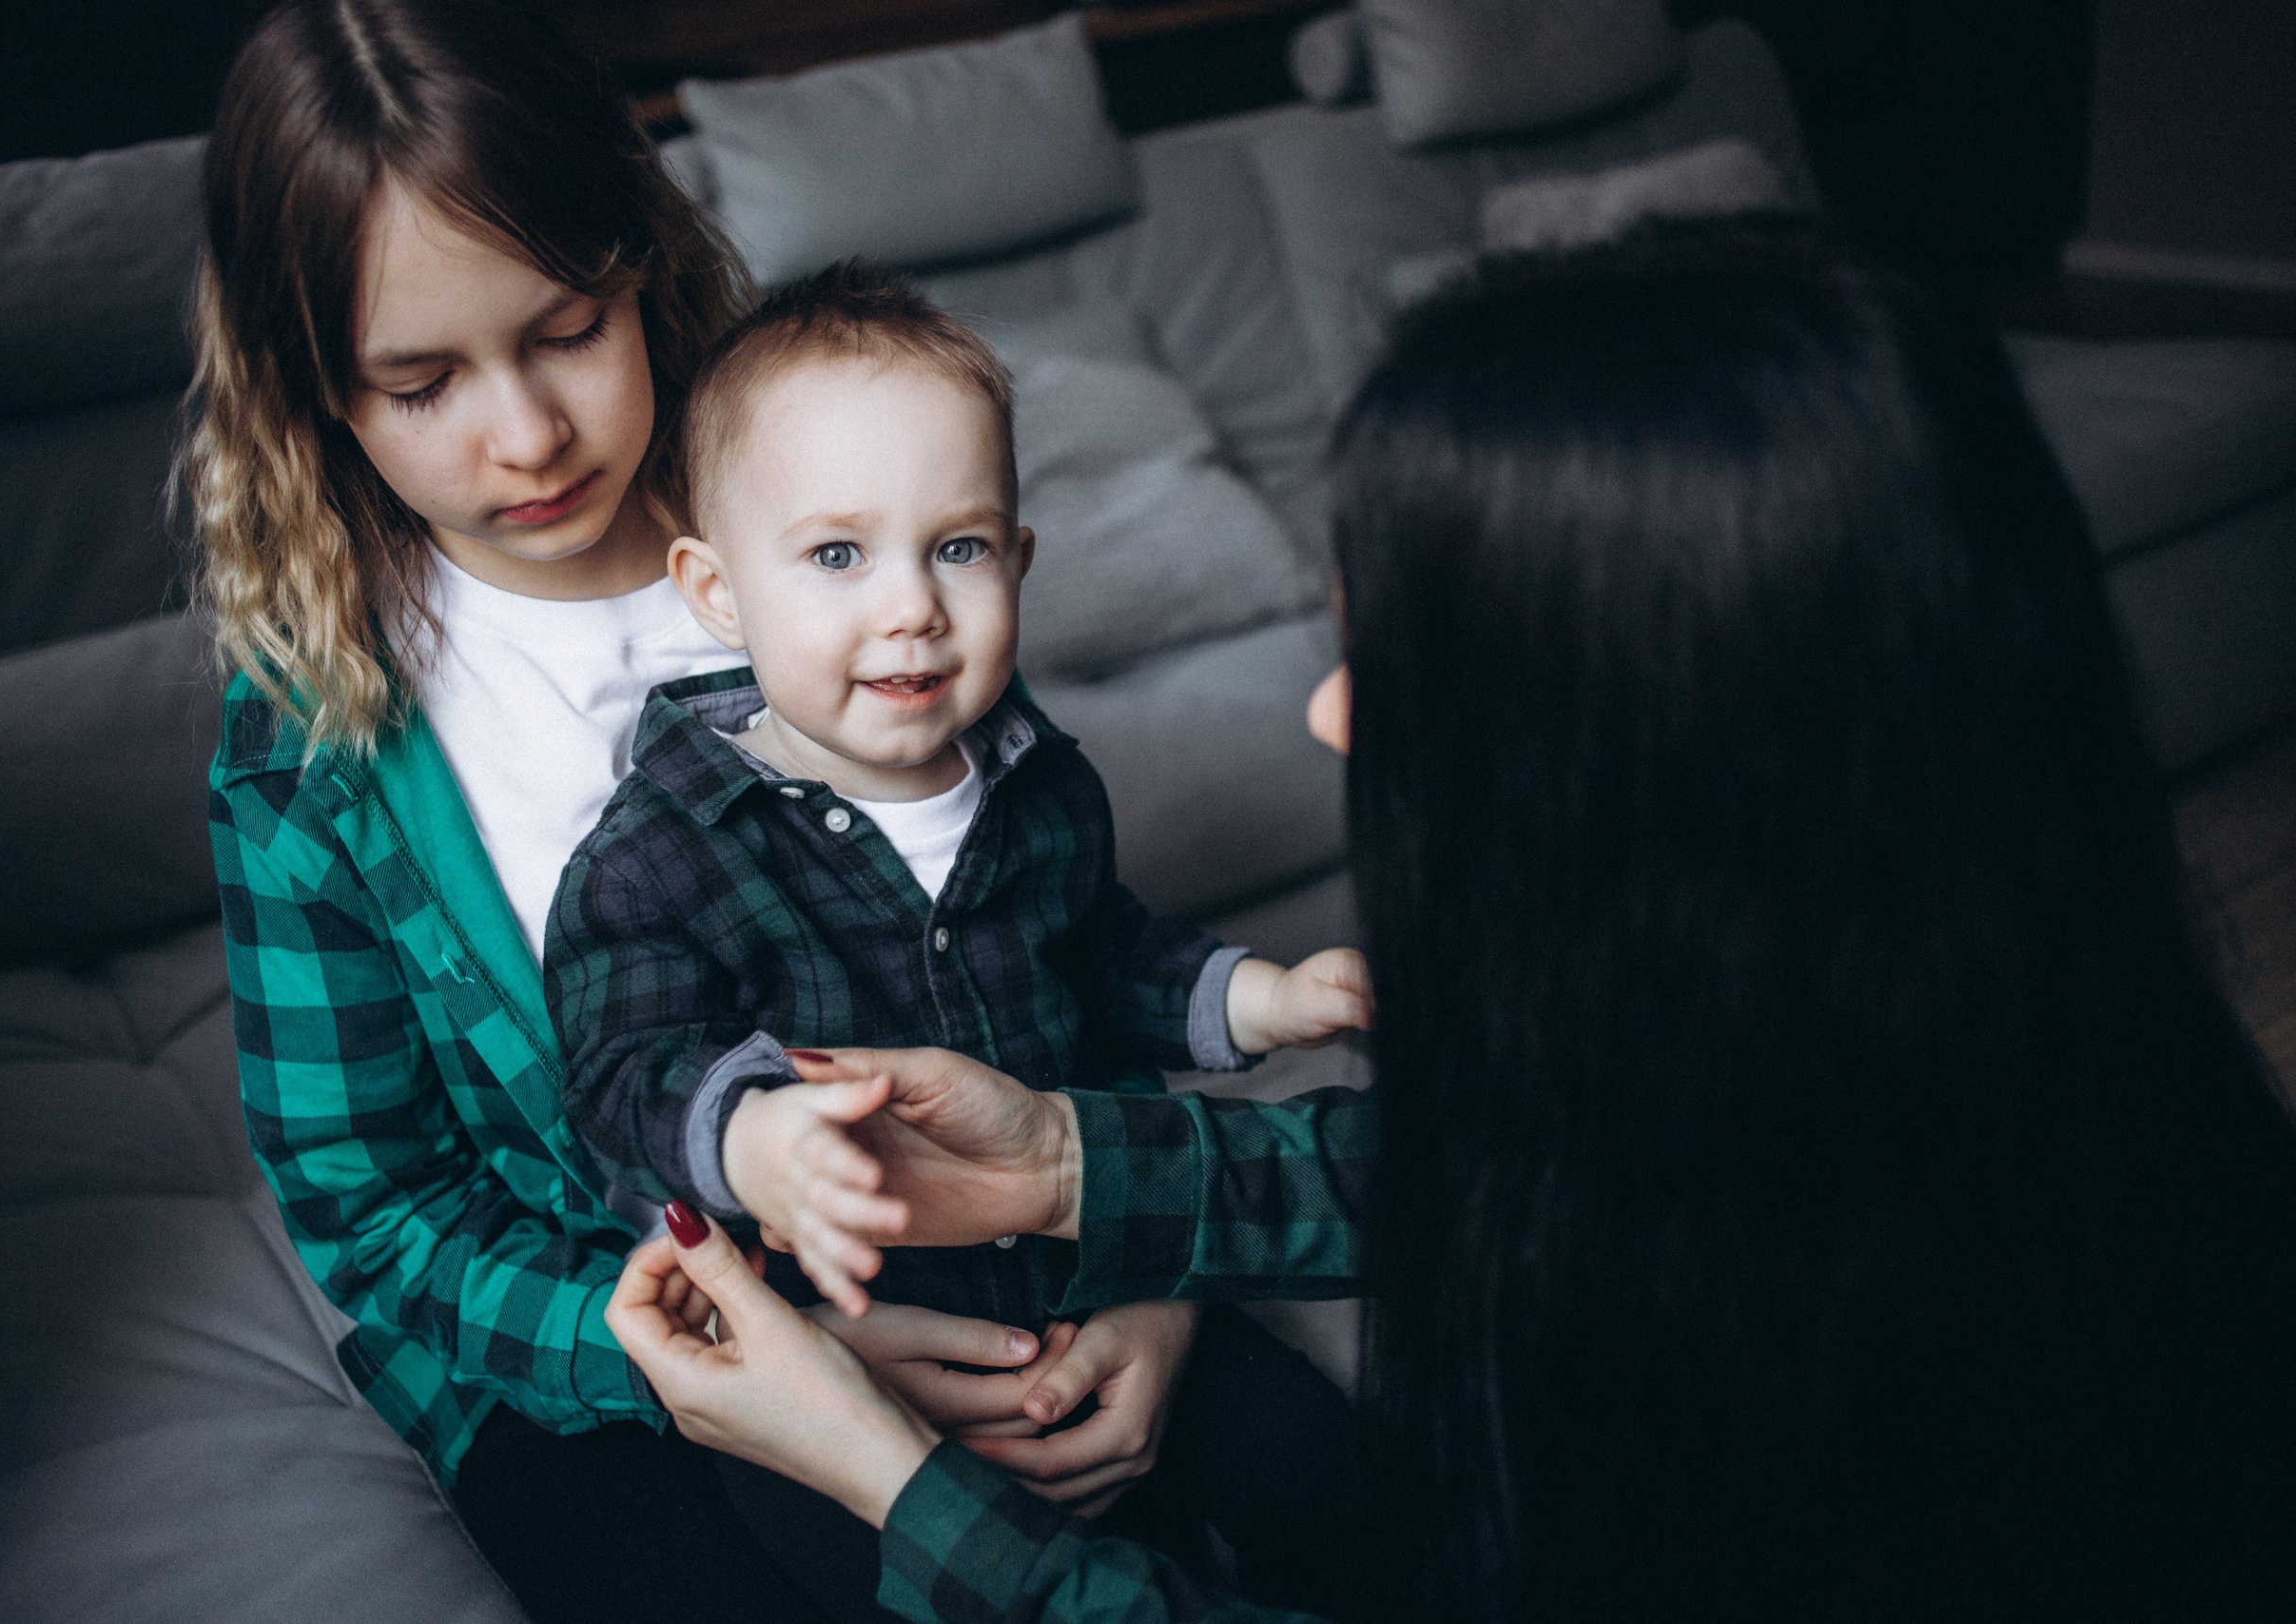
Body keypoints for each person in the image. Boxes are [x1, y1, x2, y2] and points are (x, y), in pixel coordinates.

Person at [606, 223, 2296, 1622]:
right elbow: (1504, 1173)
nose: (1331, 717)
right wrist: (1062, 1163)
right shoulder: (1971, 1081)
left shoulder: (1821, 1421)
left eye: (1405, 665)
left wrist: (878, 1472)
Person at [192, 5, 1216, 1620]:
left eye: (564, 329)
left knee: (1304, 1486)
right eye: (421, 381)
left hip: (996, 1253)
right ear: (314, 390)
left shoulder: (829, 517)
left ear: (645, 264)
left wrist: (1154, 1267)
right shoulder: (310, 744)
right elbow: (379, 1211)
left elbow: (1055, 932)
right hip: (593, 1341)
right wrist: (727, 1356)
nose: (524, 435)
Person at [542, 262, 1369, 1620]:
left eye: (961, 547)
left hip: (1101, 1266)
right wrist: (753, 1139)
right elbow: (622, 1069)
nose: (913, 604)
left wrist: (1262, 998)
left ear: (1020, 560)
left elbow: (1105, 958)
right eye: (836, 556)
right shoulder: (662, 849)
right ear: (716, 590)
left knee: (1330, 1471)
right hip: (867, 1350)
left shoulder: (1039, 784)